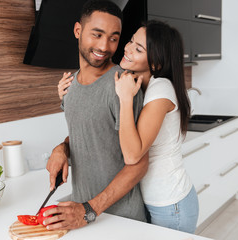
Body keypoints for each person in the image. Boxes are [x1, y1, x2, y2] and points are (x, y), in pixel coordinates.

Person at [58, 20, 199, 233]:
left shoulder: (161, 88)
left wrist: (124, 100)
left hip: (171, 204)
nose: (128, 48)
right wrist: (67, 98)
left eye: (139, 49)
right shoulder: (134, 83)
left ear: (156, 64)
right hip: (150, 199)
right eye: (131, 41)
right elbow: (101, 125)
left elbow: (132, 156)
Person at [43, 0, 149, 231]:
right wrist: (62, 148)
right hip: (80, 213)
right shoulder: (69, 84)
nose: (105, 46)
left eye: (113, 37)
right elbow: (90, 133)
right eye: (97, 34)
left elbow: (139, 163)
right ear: (78, 31)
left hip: (121, 218)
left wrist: (89, 210)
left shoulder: (123, 85)